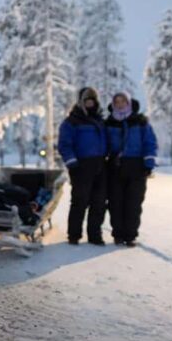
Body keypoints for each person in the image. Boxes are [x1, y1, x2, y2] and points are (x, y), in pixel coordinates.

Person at [105, 91, 157, 247]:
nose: (120, 104)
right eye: (117, 102)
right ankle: (118, 234)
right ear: (113, 104)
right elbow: (104, 143)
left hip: (136, 166)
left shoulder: (140, 122)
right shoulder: (109, 122)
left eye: (123, 101)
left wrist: (149, 163)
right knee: (116, 202)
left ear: (129, 103)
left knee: (134, 203)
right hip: (115, 167)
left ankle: (131, 235)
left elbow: (149, 142)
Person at [57, 87, 107, 246]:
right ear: (81, 102)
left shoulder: (100, 120)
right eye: (87, 100)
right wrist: (72, 163)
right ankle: (74, 234)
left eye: (92, 100)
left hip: (100, 164)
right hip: (81, 166)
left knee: (98, 203)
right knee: (80, 201)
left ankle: (95, 235)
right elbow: (64, 144)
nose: (90, 103)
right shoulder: (72, 121)